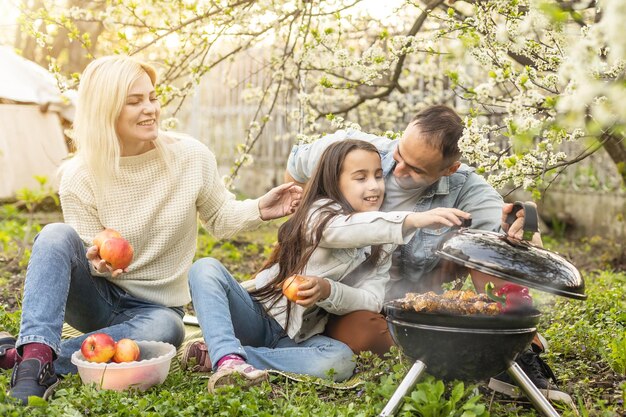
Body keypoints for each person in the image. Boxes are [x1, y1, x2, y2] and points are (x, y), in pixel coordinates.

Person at [0, 55, 302, 405]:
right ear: (106, 109)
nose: (150, 109)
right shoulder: (79, 176)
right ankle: (35, 364)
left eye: (152, 97)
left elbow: (220, 218)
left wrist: (260, 208)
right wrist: (99, 264)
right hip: (97, 299)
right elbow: (83, 251)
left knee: (168, 332)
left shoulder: (189, 157)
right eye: (134, 101)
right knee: (54, 235)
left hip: (155, 311)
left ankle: (26, 356)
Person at [283, 105, 569, 400]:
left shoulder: (468, 189)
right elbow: (296, 169)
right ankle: (464, 347)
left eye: (416, 169)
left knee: (486, 248)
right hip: (346, 295)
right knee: (370, 336)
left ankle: (512, 351)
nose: (398, 169)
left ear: (449, 169)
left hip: (412, 299)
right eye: (399, 154)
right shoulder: (355, 152)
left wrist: (520, 225)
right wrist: (303, 233)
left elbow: (511, 244)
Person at [182, 139, 471, 392]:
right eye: (360, 178)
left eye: (378, 176)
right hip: (256, 316)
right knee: (205, 267)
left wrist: (328, 290)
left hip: (297, 339)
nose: (374, 186)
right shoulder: (319, 214)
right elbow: (341, 231)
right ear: (335, 181)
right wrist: (413, 219)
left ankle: (228, 358)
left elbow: (371, 300)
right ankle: (227, 356)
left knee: (340, 361)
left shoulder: (384, 241)